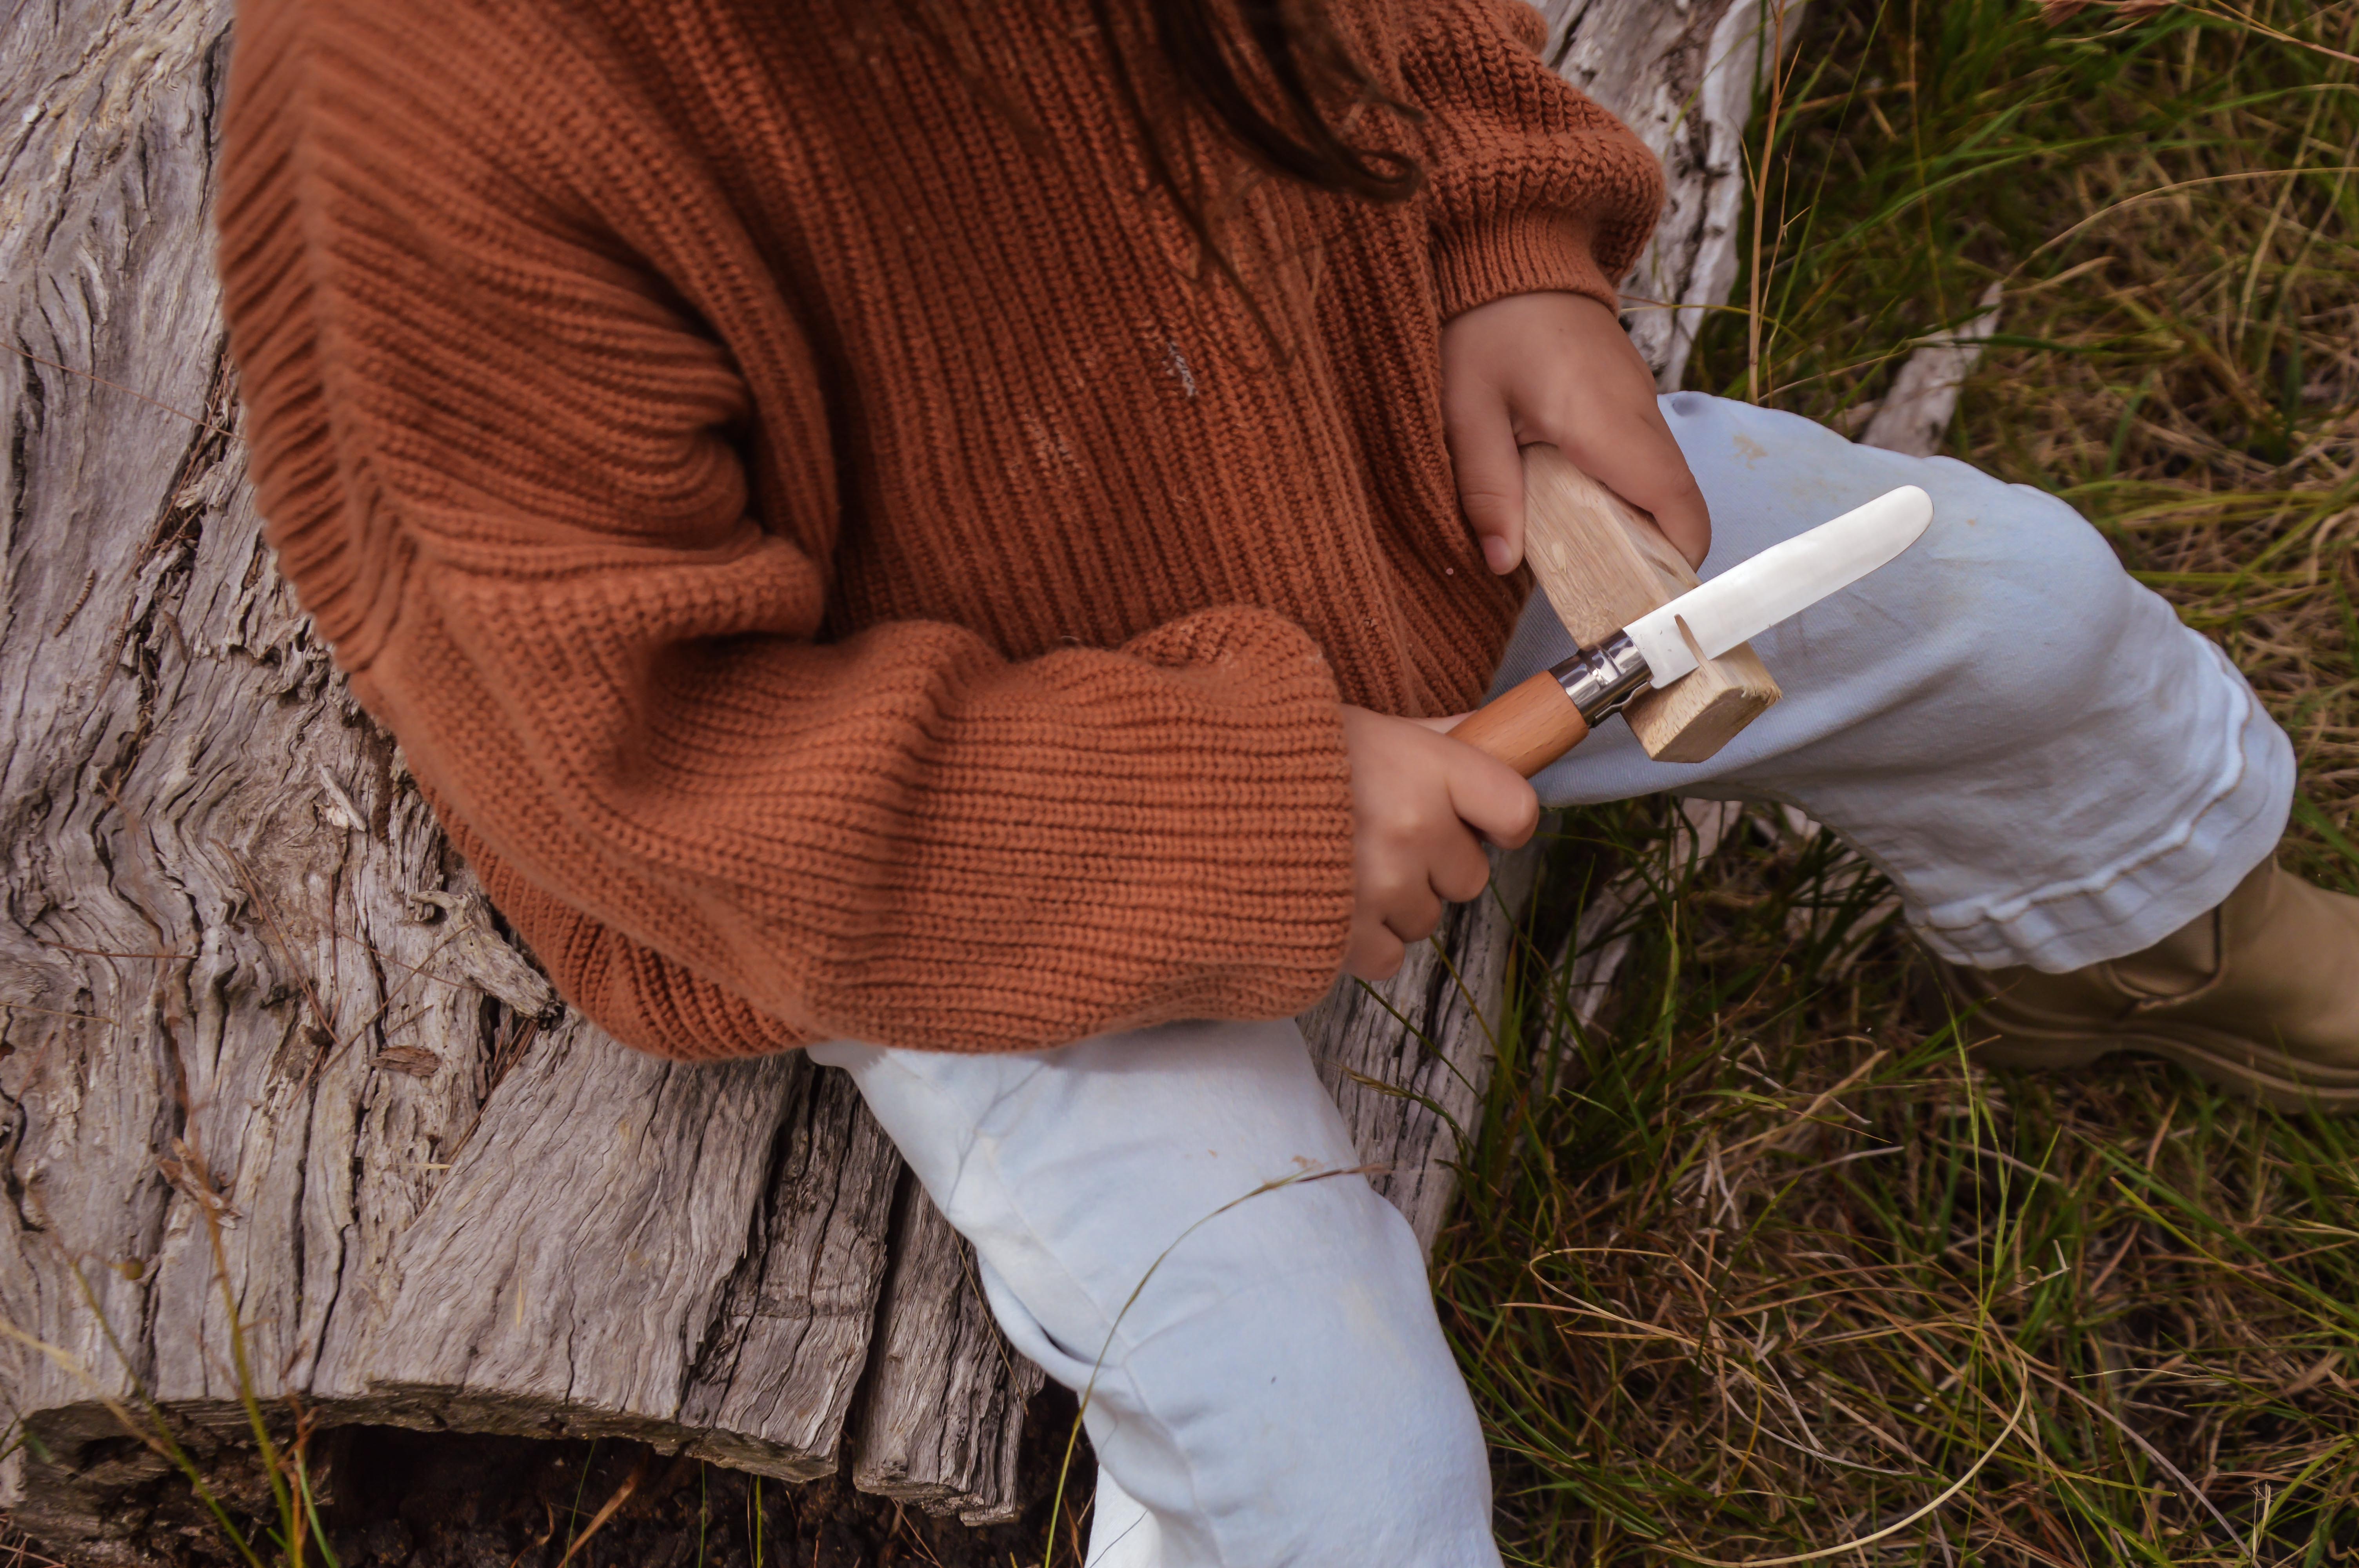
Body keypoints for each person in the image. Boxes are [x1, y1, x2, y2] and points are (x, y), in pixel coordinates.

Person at [214, 0, 2358, 1562]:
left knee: (2020, 603)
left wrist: (1501, 245)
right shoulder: (435, 89)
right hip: (942, 817)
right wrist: (1221, 819)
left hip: (1355, 487)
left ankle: (2152, 942)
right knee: (1329, 1448)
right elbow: (633, 763)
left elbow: (1389, 33)